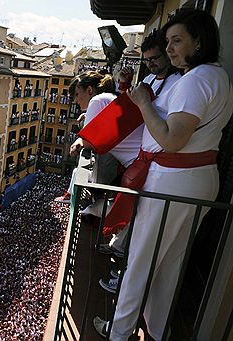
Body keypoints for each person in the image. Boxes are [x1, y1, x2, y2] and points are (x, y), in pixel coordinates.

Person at [94, 9, 233, 340]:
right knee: (170, 263)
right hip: (196, 181)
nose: (170, 49)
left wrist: (142, 103)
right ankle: (157, 332)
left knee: (140, 261)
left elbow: (172, 138)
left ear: (199, 42)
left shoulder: (196, 81)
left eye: (177, 41)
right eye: (168, 41)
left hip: (172, 182)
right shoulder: (218, 77)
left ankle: (119, 332)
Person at [97, 29, 183, 294]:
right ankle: (122, 273)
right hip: (146, 164)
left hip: (158, 165)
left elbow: (155, 116)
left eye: (155, 58)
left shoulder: (178, 82)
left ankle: (124, 281)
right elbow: (137, 109)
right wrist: (125, 87)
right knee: (137, 223)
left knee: (143, 231)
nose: (151, 63)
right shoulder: (151, 79)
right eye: (147, 60)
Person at [55, 71, 119, 204]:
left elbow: (88, 141)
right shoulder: (109, 98)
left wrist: (81, 138)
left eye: (77, 95)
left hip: (116, 170)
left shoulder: (97, 100)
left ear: (90, 90)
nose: (75, 100)